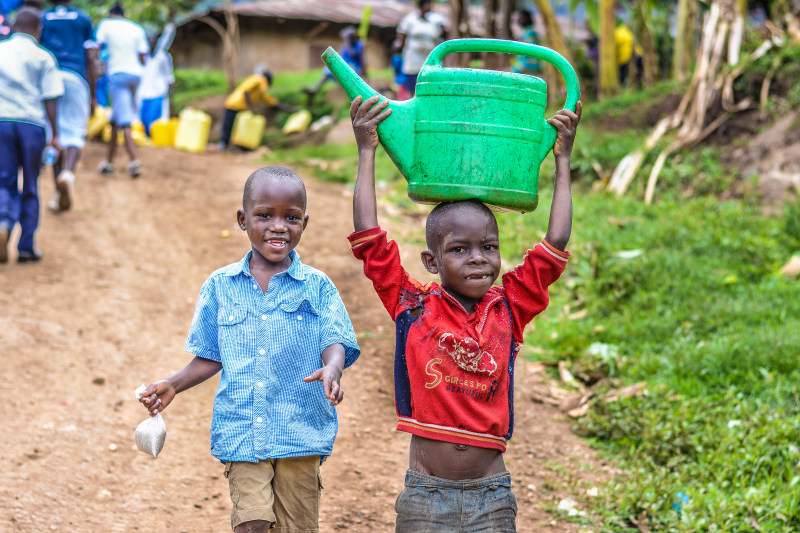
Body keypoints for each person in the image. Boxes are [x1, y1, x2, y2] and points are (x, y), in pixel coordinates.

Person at [347, 94, 581, 531]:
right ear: (431, 262)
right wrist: (367, 150)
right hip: (425, 494)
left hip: (492, 498)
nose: (478, 258)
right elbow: (369, 239)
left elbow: (556, 243)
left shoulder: (511, 306)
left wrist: (561, 161)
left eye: (489, 247)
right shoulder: (413, 306)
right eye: (459, 249)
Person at [138, 166, 360, 533]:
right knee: (251, 523)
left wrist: (333, 367)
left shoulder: (317, 286)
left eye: (291, 217)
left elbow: (334, 338)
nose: (278, 226)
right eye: (264, 215)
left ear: (304, 223)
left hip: (299, 431)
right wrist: (174, 384)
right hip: (243, 431)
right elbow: (211, 354)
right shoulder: (220, 286)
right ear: (242, 220)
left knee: (297, 528)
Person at [0, 7, 63, 264]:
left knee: (4, 180)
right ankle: (26, 246)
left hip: (2, 122)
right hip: (32, 125)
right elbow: (50, 98)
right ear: (39, 30)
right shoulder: (44, 57)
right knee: (31, 184)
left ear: (14, 26)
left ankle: (3, 223)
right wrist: (55, 134)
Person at [39, 0, 97, 213]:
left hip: (50, 78)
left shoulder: (43, 18)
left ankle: (56, 191)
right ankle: (68, 174)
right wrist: (93, 94)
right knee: (74, 132)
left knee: (55, 134)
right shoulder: (82, 19)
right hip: (76, 77)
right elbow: (90, 59)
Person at [94, 2, 148, 178]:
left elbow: (96, 48)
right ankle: (109, 162)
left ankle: (134, 163)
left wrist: (98, 65)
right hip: (136, 75)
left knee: (125, 121)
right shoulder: (136, 28)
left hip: (118, 74)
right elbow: (143, 57)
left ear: (111, 14)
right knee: (116, 120)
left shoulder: (106, 25)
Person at [218, 68, 280, 151]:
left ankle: (235, 146)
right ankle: (223, 144)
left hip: (242, 107)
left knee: (238, 127)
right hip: (234, 104)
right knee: (229, 125)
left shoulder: (259, 90)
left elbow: (269, 101)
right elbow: (246, 92)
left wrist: (287, 108)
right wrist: (251, 108)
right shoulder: (257, 80)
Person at [395, 0, 446, 97]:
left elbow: (442, 36)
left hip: (430, 58)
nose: (429, 6)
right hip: (413, 58)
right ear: (421, 6)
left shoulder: (436, 20)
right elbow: (401, 36)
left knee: (430, 83)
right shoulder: (410, 19)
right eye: (427, 4)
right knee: (413, 85)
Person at [304, 26, 365, 102]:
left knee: (345, 72)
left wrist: (364, 73)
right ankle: (315, 90)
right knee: (328, 70)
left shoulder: (359, 44)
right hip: (344, 66)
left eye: (347, 38)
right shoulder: (345, 46)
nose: (345, 40)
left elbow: (355, 55)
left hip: (354, 67)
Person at [136, 23, 174, 136]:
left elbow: (170, 79)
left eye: (153, 41)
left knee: (155, 124)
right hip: (144, 95)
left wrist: (171, 99)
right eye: (149, 41)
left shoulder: (163, 57)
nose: (151, 43)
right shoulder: (144, 58)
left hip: (158, 94)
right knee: (143, 123)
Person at [512, 10, 542, 76]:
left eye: (521, 17)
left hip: (529, 65)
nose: (519, 19)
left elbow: (531, 53)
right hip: (526, 64)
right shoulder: (526, 33)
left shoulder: (529, 33)